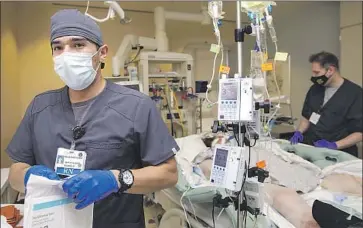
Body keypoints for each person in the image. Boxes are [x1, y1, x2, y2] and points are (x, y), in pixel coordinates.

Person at [6, 9, 179, 228]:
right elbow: (15, 173)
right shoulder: (40, 107)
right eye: (58, 47)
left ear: (102, 52)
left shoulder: (137, 106)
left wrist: (116, 179)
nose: (67, 54)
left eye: (78, 45)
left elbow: (169, 174)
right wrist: (28, 175)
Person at [290, 51, 362, 157]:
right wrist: (299, 132)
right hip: (312, 149)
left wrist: (334, 145)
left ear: (330, 70)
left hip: (339, 154)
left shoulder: (355, 94)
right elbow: (307, 117)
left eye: (317, 73)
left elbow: (360, 133)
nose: (313, 76)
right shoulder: (315, 89)